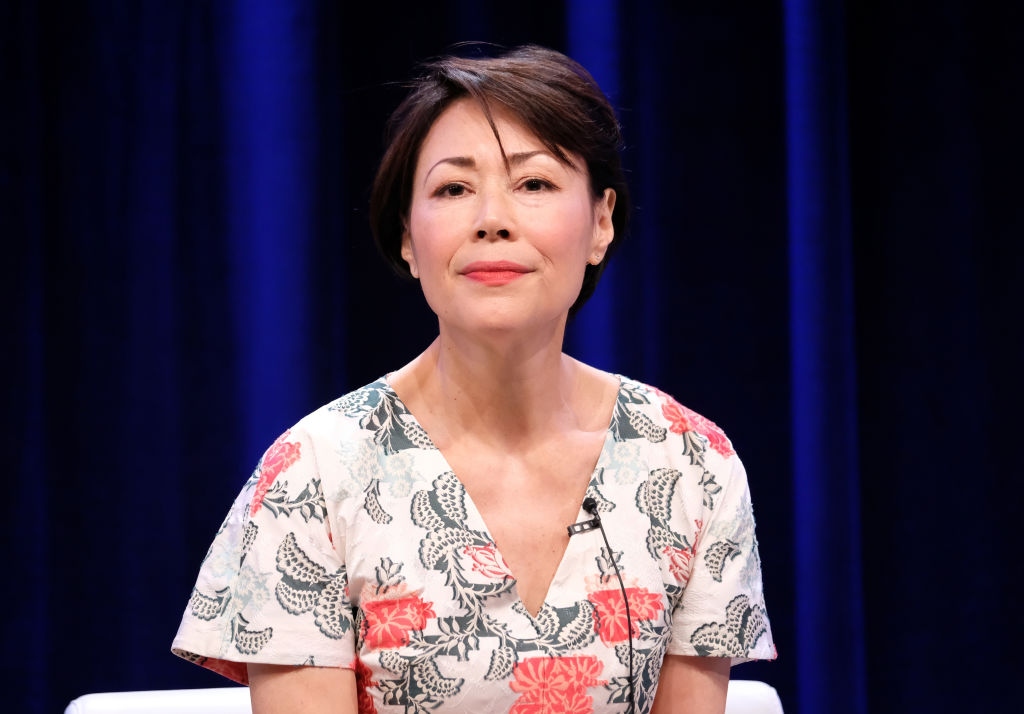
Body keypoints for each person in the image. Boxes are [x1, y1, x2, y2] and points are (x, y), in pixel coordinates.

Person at [172, 45, 775, 714]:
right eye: (453, 188)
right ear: (407, 233)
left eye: (535, 184)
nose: (492, 218)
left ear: (601, 221)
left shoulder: (692, 462)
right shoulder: (312, 474)